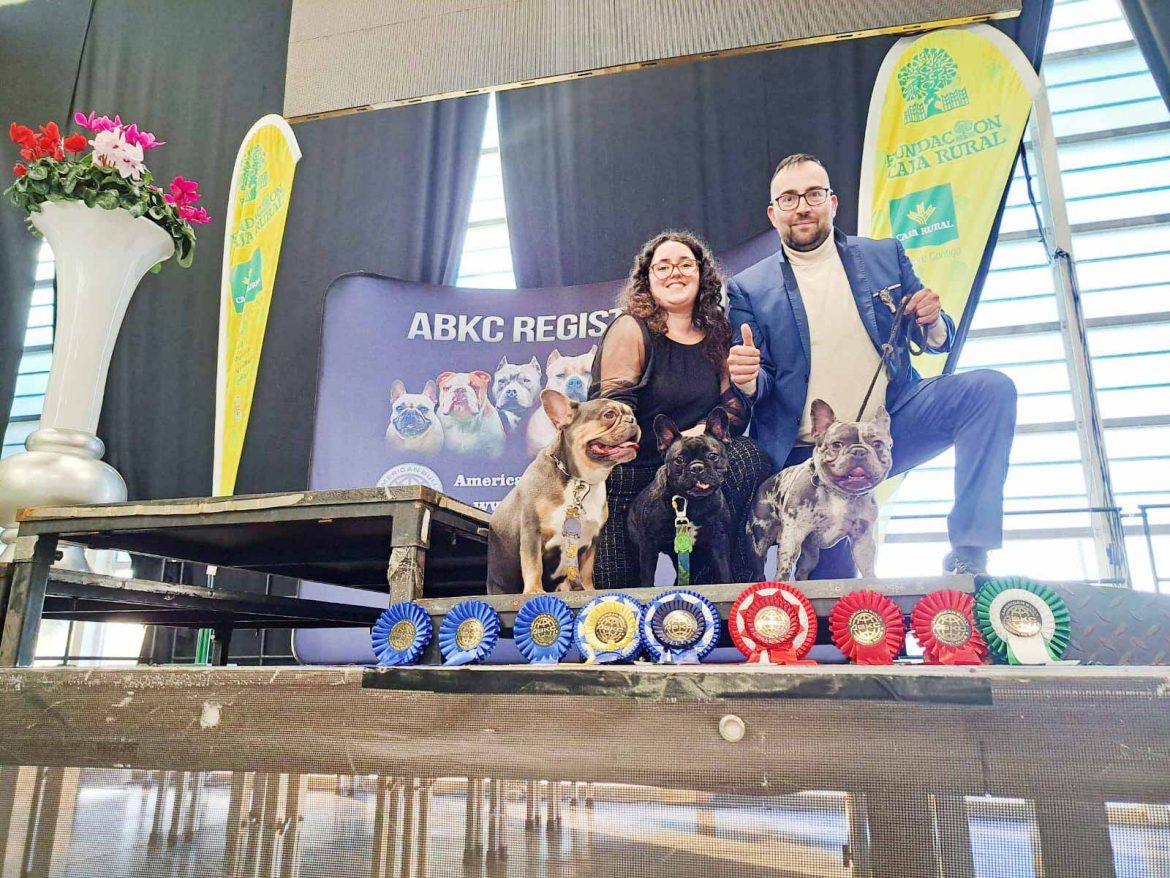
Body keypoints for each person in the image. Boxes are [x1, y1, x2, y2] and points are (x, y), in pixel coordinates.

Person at [726, 154, 1016, 576]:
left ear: (833, 202)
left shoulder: (885, 255)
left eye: (813, 194)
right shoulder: (747, 287)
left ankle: (970, 549)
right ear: (773, 214)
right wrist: (749, 381)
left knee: (990, 390)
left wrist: (933, 321)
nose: (802, 206)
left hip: (894, 422)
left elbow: (933, 338)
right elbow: (762, 385)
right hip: (813, 454)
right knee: (839, 603)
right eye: (788, 198)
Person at [590, 231, 772, 589]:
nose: (676, 272)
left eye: (686, 264)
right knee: (617, 601)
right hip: (635, 475)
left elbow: (733, 414)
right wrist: (668, 442)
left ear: (702, 274)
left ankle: (723, 585)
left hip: (697, 476)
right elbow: (613, 415)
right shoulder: (631, 329)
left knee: (750, 456)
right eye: (664, 266)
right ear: (648, 279)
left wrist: (697, 434)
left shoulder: (717, 332)